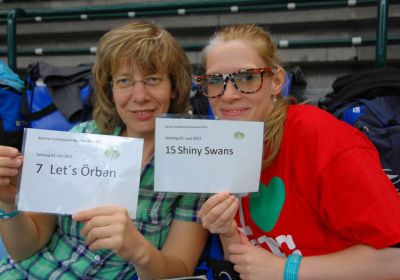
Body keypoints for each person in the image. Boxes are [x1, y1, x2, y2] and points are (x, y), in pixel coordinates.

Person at [0, 21, 208, 279]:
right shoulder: (82, 138)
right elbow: (25, 248)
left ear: (174, 86)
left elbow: (180, 269)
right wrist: (8, 202)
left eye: (153, 79)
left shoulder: (194, 164)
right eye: (124, 81)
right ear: (110, 90)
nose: (140, 95)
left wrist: (139, 250)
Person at [197, 24, 400, 280]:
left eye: (247, 77)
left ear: (277, 81)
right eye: (215, 81)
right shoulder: (228, 143)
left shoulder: (321, 137)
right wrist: (227, 231)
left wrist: (286, 270)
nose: (227, 95)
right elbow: (250, 265)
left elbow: (396, 260)